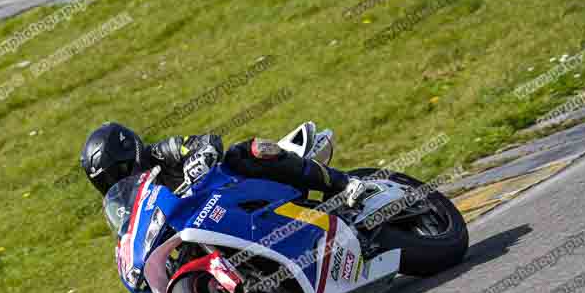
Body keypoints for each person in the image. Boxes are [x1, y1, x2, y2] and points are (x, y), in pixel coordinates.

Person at [79, 122, 369, 207]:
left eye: (116, 175)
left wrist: (199, 159)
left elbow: (206, 141)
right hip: (208, 220)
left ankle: (344, 182)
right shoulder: (130, 205)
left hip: (232, 189)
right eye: (106, 184)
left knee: (240, 153)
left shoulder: (161, 152)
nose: (115, 185)